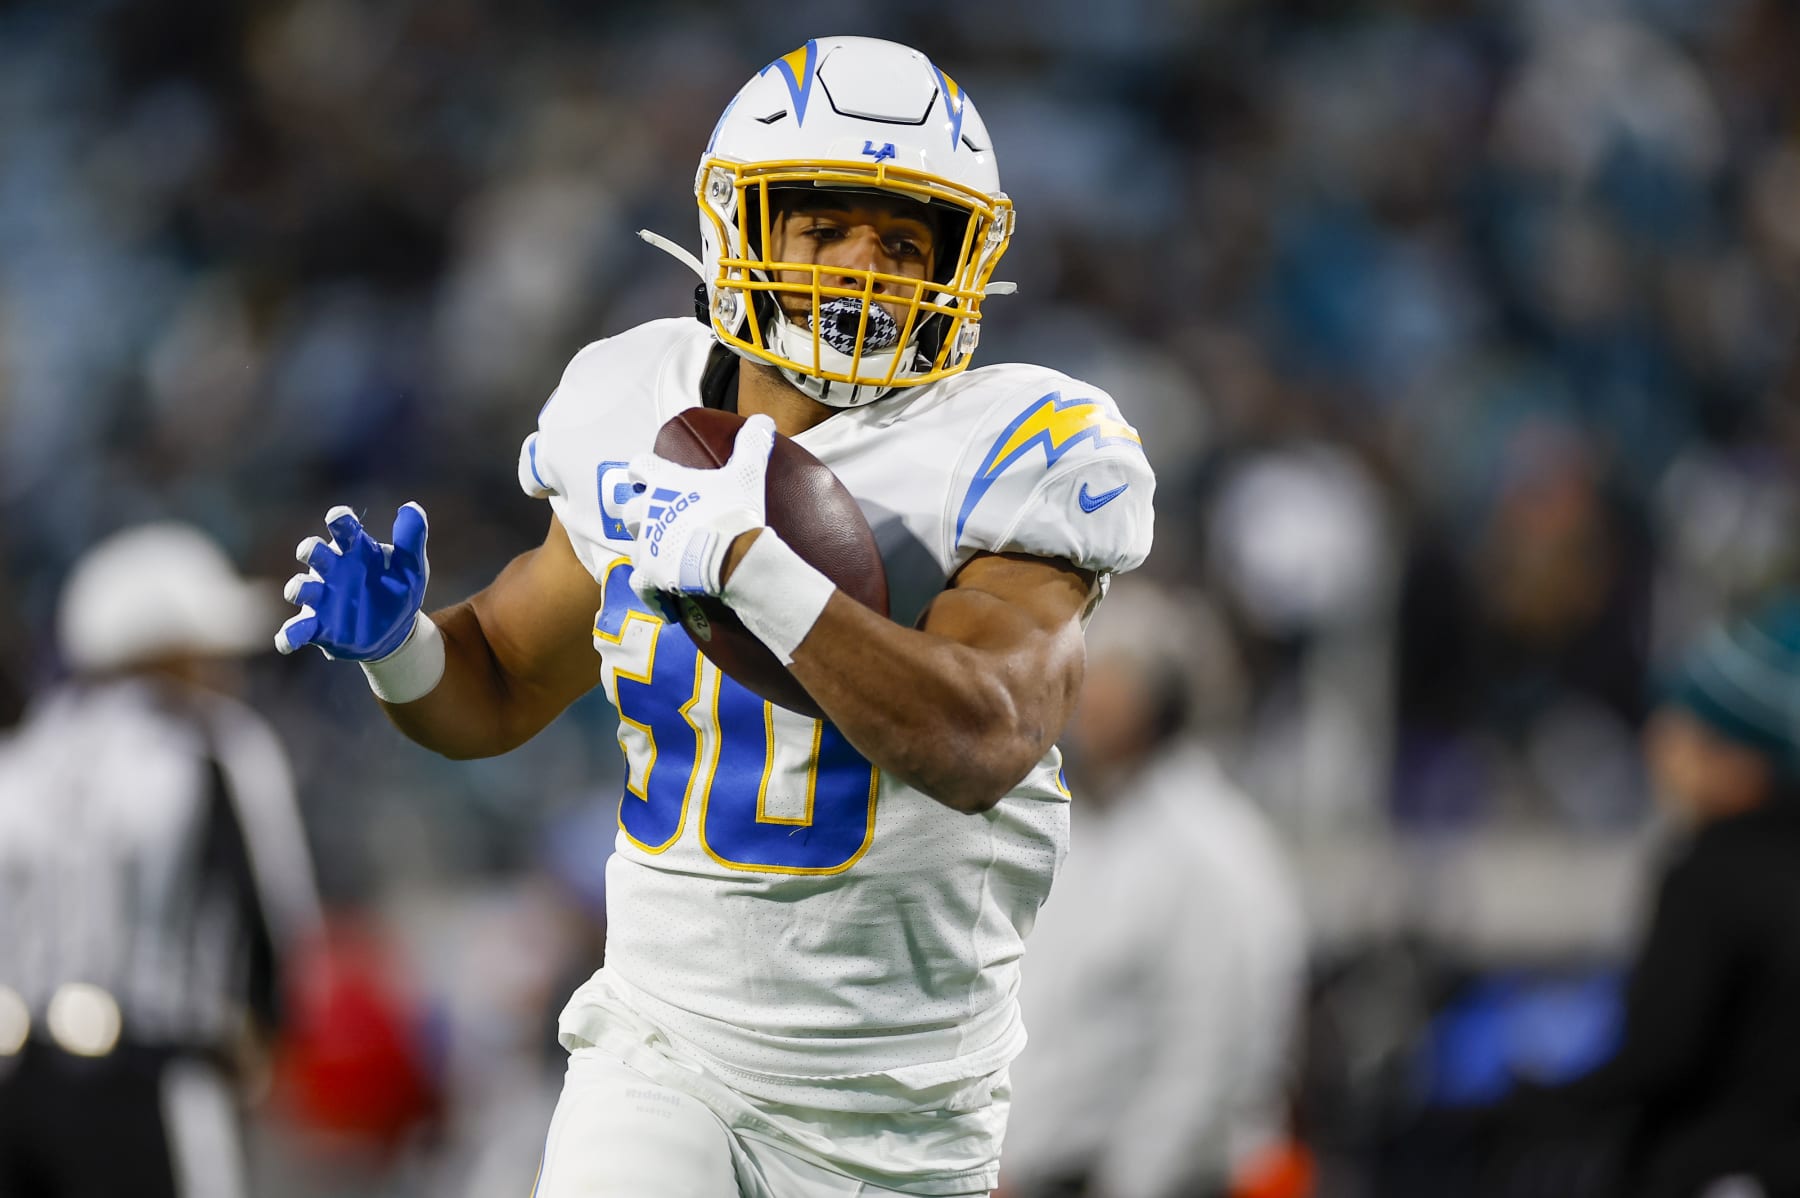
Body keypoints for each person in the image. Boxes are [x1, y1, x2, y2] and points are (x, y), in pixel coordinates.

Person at [274, 35, 1155, 1198]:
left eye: (903, 242)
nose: (864, 267)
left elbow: (981, 737)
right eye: (825, 226)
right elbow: (499, 681)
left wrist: (750, 566)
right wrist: (403, 649)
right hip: (664, 1043)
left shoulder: (1011, 446)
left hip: (900, 1102)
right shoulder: (631, 401)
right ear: (740, 228)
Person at [0, 522, 323, 1198]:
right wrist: (272, 1029)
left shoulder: (23, 754)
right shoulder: (214, 744)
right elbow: (277, 922)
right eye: (208, 652)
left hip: (15, 1084)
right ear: (165, 651)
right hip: (155, 1080)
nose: (224, 672)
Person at [999, 579, 1309, 1198]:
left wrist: (1135, 1181)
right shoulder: (1084, 826)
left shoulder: (1210, 846)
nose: (1089, 699)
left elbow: (1210, 1050)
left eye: (1113, 677)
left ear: (1161, 696)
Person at [1493, 594, 1800, 1198]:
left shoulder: (1711, 875)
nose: (1658, 746)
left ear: (1740, 758)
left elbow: (1662, 1051)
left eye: (1684, 729)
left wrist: (1530, 1105)